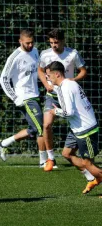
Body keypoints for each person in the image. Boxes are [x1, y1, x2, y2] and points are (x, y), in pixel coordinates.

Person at [45, 61, 101, 193]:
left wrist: (55, 112)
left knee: (88, 163)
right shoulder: (67, 84)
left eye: (49, 75)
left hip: (85, 129)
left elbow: (69, 112)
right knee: (67, 154)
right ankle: (92, 178)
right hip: (76, 128)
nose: (47, 78)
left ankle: (96, 176)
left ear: (57, 74)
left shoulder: (66, 87)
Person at [37, 28, 87, 171]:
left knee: (78, 123)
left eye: (56, 42)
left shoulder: (72, 54)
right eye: (51, 42)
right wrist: (46, 84)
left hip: (68, 96)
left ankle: (82, 154)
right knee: (46, 125)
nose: (53, 45)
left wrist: (72, 79)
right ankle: (50, 158)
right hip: (52, 96)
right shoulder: (45, 54)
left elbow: (83, 71)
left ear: (63, 41)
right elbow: (40, 70)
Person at [0, 29, 46, 164]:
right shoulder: (15, 57)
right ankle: (44, 161)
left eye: (32, 42)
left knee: (34, 128)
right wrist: (14, 97)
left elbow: (38, 71)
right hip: (24, 98)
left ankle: (4, 144)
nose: (30, 45)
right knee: (41, 127)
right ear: (20, 41)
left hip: (35, 94)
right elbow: (3, 79)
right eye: (27, 43)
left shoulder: (35, 52)